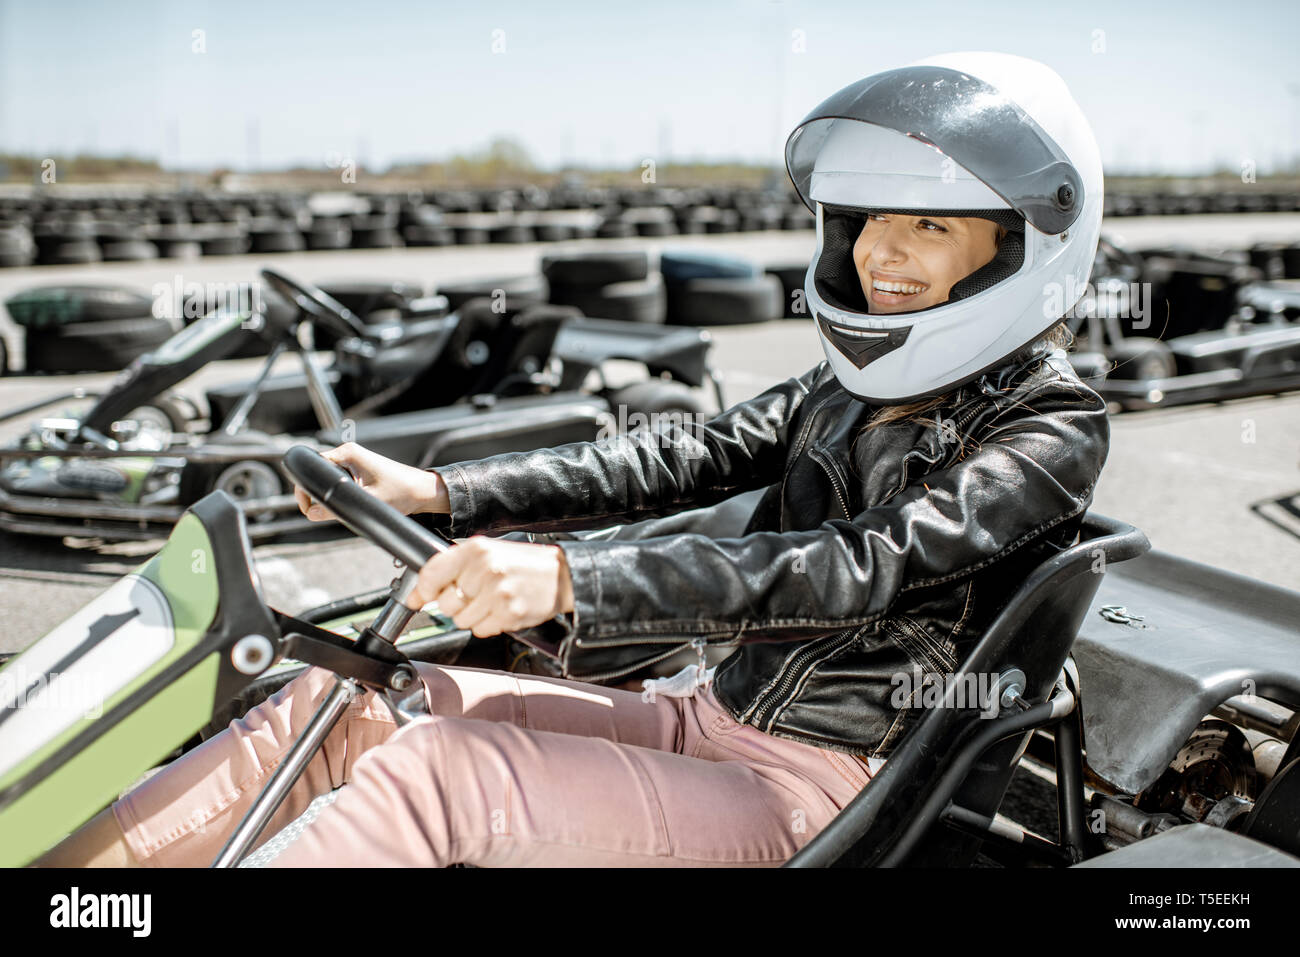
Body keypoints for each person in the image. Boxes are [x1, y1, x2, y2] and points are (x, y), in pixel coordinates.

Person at [38, 50, 1110, 868]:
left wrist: (569, 579)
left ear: (1021, 246)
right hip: (711, 716)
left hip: (825, 785)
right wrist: (445, 491)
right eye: (868, 218)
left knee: (437, 773)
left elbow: (856, 564)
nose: (878, 253)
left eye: (927, 224)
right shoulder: (852, 385)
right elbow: (669, 457)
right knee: (360, 698)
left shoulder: (1048, 429)